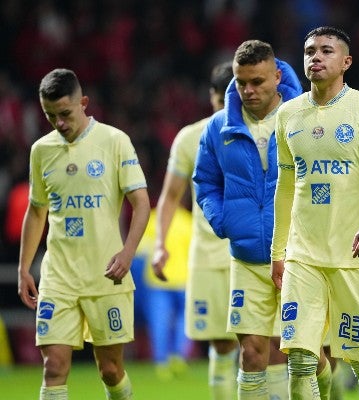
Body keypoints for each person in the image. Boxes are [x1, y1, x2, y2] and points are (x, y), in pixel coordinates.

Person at [271, 26, 359, 399]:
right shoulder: (288, 114)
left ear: (346, 61)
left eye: (326, 51)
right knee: (300, 361)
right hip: (303, 256)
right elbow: (285, 187)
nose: (316, 57)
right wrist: (279, 251)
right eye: (309, 51)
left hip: (352, 256)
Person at [17, 68, 150, 400]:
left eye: (64, 114)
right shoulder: (41, 150)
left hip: (106, 275)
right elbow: (36, 211)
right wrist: (23, 268)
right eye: (50, 116)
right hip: (58, 275)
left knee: (110, 370)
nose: (59, 123)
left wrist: (127, 253)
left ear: (84, 103)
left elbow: (141, 202)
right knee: (54, 368)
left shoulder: (114, 141)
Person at [194, 40, 303, 400]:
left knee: (304, 355)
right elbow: (205, 182)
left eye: (257, 81)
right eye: (242, 82)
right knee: (252, 352)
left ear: (276, 76)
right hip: (246, 256)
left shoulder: (302, 118)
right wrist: (222, 221)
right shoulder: (219, 126)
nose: (248, 90)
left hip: (296, 255)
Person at [151, 61, 239, 398]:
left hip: (253, 252)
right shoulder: (190, 137)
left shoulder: (262, 133)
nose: (224, 110)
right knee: (222, 341)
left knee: (262, 343)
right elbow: (170, 196)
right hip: (208, 254)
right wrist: (160, 243)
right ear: (212, 97)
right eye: (221, 101)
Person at [134, 206, 192, 380]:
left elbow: (141, 250)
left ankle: (161, 362)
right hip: (184, 279)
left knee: (160, 321)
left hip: (157, 280)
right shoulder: (187, 221)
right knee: (185, 319)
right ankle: (179, 355)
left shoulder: (152, 219)